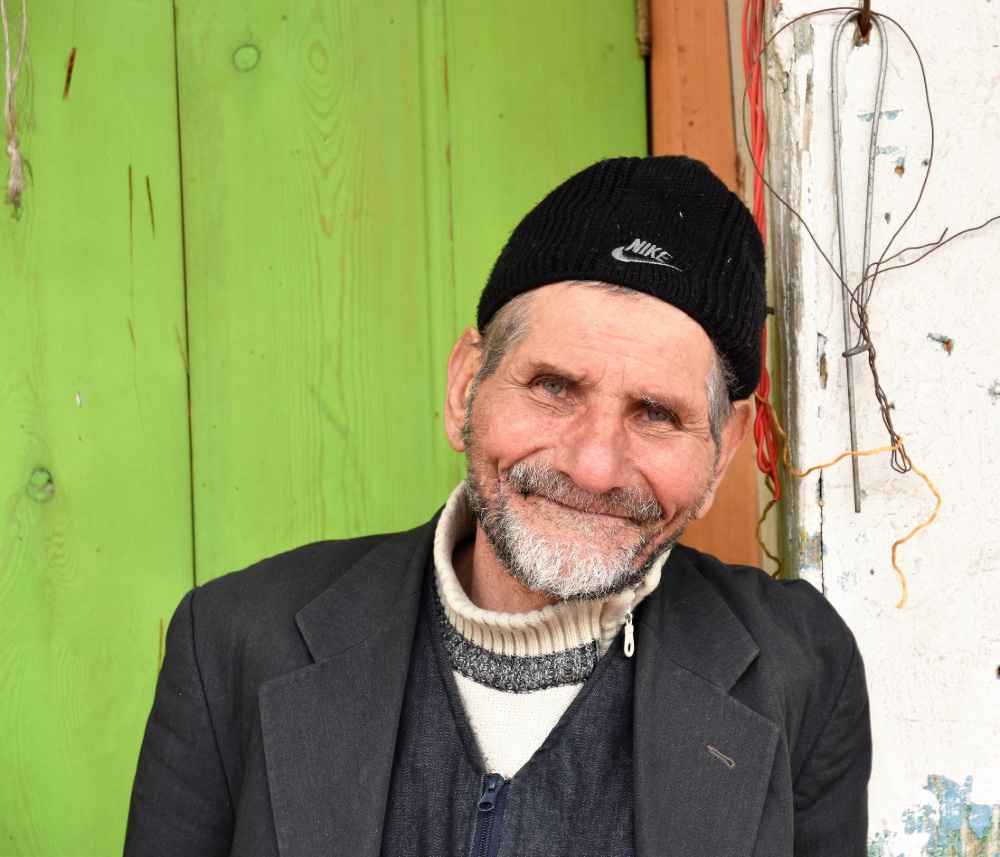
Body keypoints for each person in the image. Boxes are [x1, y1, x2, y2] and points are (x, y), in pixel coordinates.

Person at [124, 156, 871, 856]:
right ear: (466, 388)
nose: (594, 464)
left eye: (655, 413)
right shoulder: (235, 642)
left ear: (723, 449)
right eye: (553, 387)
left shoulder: (799, 671)